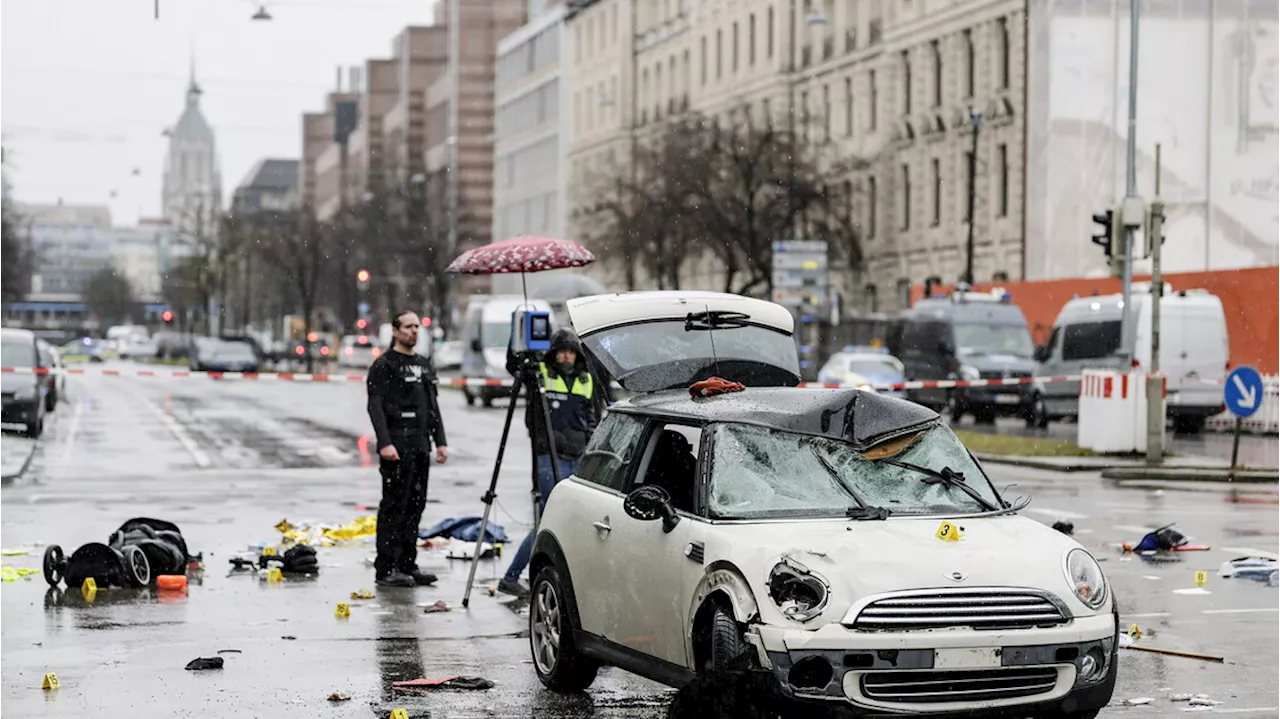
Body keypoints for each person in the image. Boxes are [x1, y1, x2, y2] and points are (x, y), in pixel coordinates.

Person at [498, 327, 604, 598]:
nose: (567, 356)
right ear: (554, 354)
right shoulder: (540, 376)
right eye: (562, 351)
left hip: (579, 458)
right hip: (548, 457)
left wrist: (590, 444)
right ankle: (512, 576)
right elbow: (513, 364)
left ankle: (559, 578)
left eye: (571, 352)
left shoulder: (587, 379)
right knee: (548, 520)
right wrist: (519, 328)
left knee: (574, 521)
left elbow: (593, 416)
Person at [366, 310, 449, 588]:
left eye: (417, 327)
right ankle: (386, 568)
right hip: (396, 447)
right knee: (394, 507)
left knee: (416, 506)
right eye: (408, 326)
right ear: (396, 330)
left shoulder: (424, 365)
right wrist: (385, 443)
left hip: (419, 446)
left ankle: (407, 564)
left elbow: (433, 407)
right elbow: (375, 406)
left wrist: (440, 442)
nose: (413, 331)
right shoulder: (384, 365)